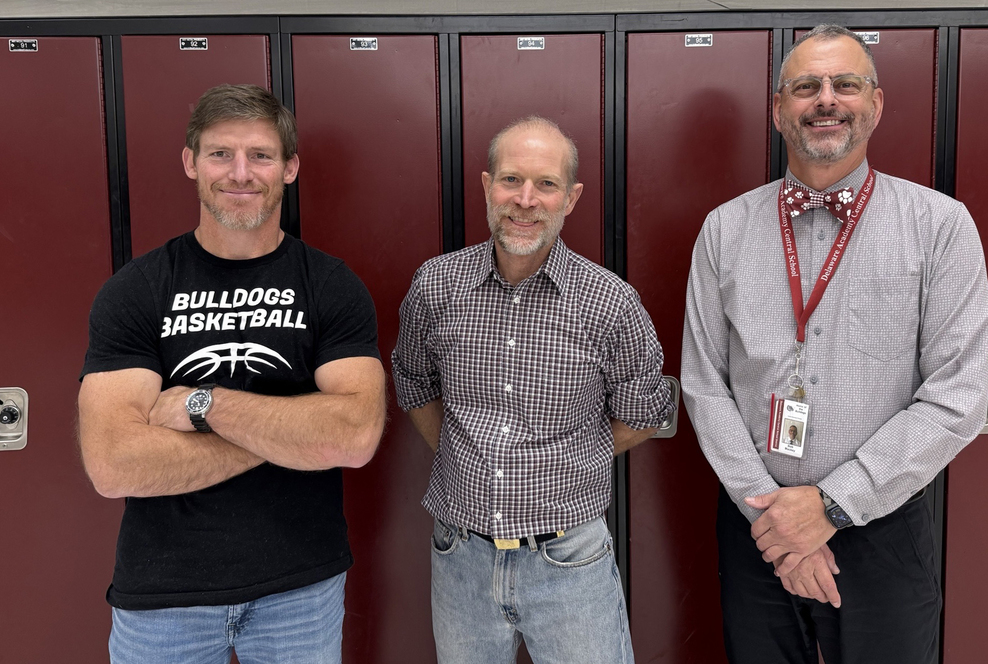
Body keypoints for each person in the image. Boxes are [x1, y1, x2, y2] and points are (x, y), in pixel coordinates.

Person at [680, 25, 988, 664]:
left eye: (845, 84)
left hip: (883, 526)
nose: (826, 99)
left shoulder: (940, 226)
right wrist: (774, 521)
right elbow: (704, 381)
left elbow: (957, 394)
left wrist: (830, 506)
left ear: (875, 104)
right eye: (806, 87)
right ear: (777, 110)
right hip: (756, 525)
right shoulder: (723, 230)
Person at [77, 84, 387, 664]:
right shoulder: (136, 291)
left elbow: (354, 435)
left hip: (300, 592)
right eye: (221, 153)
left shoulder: (330, 286)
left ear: (289, 168)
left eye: (260, 155)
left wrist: (201, 406)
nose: (240, 173)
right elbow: (114, 463)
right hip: (163, 598)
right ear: (191, 162)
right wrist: (289, 433)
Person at [392, 116, 674, 664]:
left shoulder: (610, 302)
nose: (525, 200)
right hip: (460, 556)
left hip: (569, 559)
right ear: (486, 186)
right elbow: (414, 383)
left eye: (546, 184)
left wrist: (568, 459)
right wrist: (466, 453)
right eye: (511, 180)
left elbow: (644, 412)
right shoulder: (437, 286)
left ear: (571, 197)